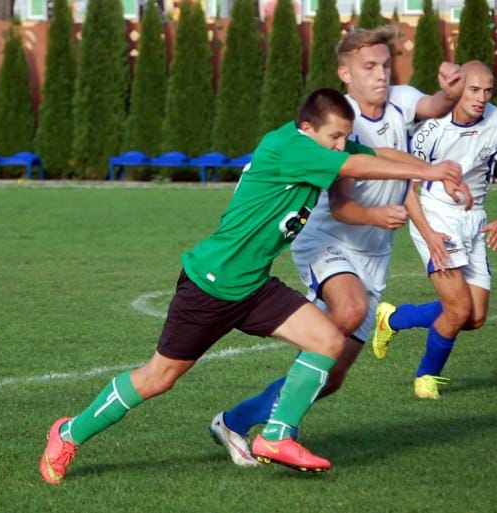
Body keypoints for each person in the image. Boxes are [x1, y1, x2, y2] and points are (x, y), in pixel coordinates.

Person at [38, 88, 466, 484]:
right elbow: (355, 166)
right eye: (334, 137)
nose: (340, 145)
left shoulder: (321, 144)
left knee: (327, 341)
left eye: (344, 137)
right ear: (307, 129)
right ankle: (69, 432)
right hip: (212, 285)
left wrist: (431, 170)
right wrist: (429, 169)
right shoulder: (290, 147)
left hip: (253, 285)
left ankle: (277, 436)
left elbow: (374, 153)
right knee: (157, 378)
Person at [210, 26, 469, 467]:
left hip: (374, 253)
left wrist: (449, 94)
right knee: (345, 313)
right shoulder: (339, 118)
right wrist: (386, 206)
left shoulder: (402, 102)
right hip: (329, 237)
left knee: (330, 378)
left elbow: (429, 112)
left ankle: (233, 421)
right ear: (345, 74)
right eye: (369, 67)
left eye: (385, 65)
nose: (380, 75)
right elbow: (343, 203)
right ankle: (279, 434)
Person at [371, 61, 497, 399]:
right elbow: (408, 185)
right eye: (474, 90)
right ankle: (426, 377)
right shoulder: (431, 129)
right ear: (459, 88)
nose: (481, 98)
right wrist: (429, 234)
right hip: (434, 216)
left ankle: (393, 318)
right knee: (458, 309)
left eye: (488, 90)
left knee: (474, 317)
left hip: (474, 219)